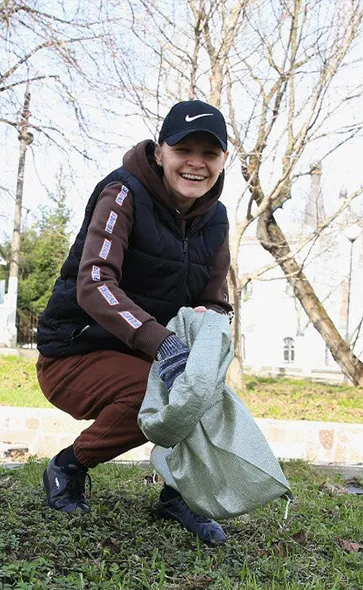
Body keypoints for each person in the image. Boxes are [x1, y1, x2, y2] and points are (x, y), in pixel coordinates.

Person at [36, 100, 233, 545]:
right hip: (75, 350)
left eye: (210, 153)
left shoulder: (215, 218)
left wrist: (209, 327)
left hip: (144, 357)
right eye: (184, 149)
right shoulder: (123, 193)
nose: (196, 163)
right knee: (148, 392)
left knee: (204, 385)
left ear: (223, 161)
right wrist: (164, 344)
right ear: (160, 150)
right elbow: (94, 283)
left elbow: (214, 299)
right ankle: (68, 465)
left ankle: (180, 492)